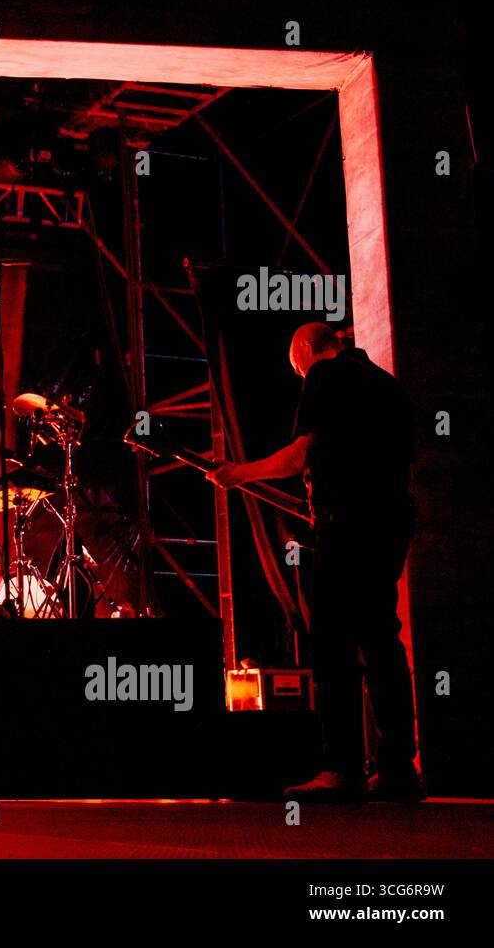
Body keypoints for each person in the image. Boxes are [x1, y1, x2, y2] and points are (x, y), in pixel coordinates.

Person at [207, 322, 423, 801]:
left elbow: (302, 454)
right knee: (383, 641)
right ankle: (399, 769)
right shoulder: (389, 387)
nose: (301, 376)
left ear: (306, 351)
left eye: (297, 367)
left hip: (344, 528)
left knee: (333, 647)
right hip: (389, 525)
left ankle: (342, 769)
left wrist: (239, 474)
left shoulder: (325, 377)